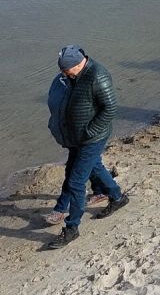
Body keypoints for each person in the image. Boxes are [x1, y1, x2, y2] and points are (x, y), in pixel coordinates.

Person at [44, 45, 126, 249]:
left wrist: (90, 131)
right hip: (77, 137)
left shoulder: (98, 76)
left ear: (78, 64)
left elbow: (110, 108)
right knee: (95, 168)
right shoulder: (71, 77)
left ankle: (72, 228)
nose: (64, 74)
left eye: (66, 70)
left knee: (76, 181)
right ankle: (117, 197)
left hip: (92, 137)